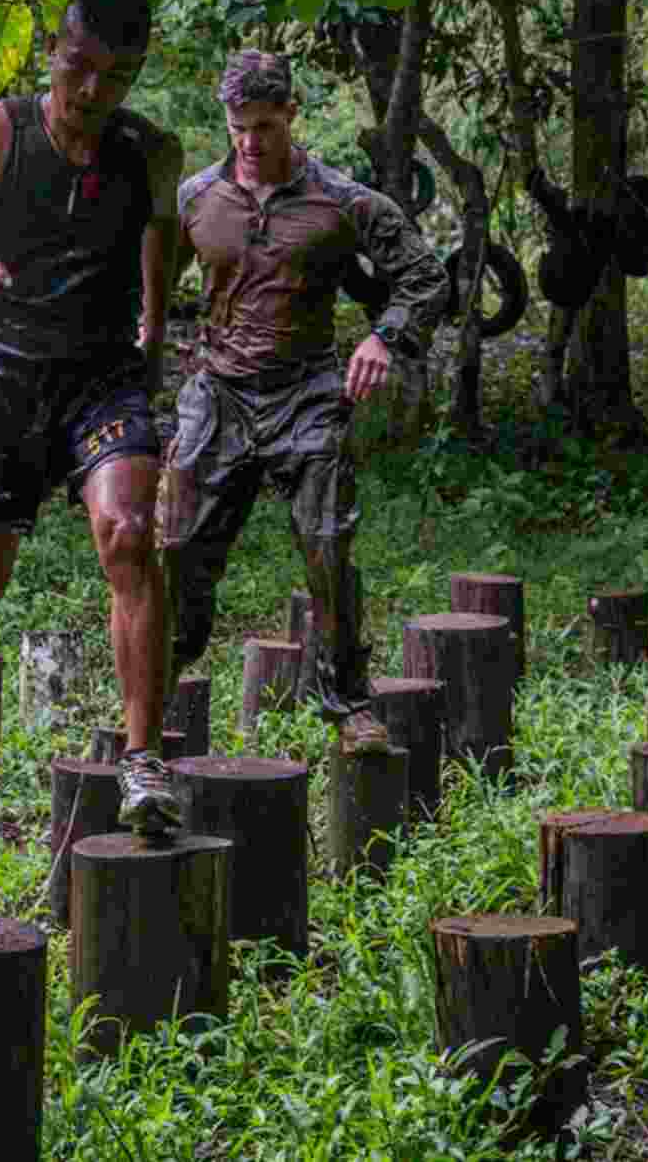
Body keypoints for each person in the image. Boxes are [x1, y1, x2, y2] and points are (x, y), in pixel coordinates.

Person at [0, 0, 185, 840]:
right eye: (79, 67)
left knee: (131, 535)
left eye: (117, 77)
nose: (93, 91)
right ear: (52, 48)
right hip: (9, 380)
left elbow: (160, 237)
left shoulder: (150, 151)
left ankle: (143, 759)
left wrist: (154, 331)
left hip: (103, 380)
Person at [161, 50, 450, 753]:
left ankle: (348, 704)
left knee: (327, 548)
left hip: (308, 393)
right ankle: (162, 679)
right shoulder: (196, 198)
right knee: (178, 546)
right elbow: (148, 281)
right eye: (237, 127)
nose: (249, 142)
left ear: (291, 113)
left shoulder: (342, 201)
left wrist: (383, 337)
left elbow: (425, 277)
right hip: (219, 391)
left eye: (264, 125)